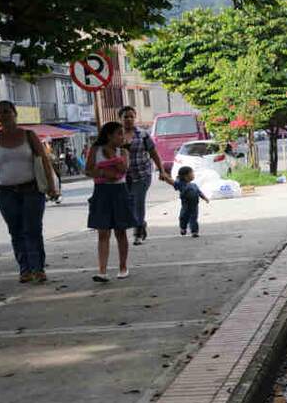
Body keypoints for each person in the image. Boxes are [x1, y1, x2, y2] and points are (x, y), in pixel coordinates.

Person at [0, 100, 58, 284]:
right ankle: (25, 270)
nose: (3, 115)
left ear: (15, 113)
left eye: (7, 111)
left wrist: (51, 185)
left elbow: (44, 160)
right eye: (0, 112)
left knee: (33, 230)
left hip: (32, 190)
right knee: (16, 231)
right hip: (6, 193)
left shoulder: (29, 135)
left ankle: (38, 269)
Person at [85, 121, 137, 282]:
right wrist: (103, 172)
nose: (122, 137)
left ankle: (123, 267)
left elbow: (123, 170)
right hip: (101, 192)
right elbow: (88, 170)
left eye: (123, 133)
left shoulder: (123, 152)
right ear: (109, 135)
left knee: (120, 231)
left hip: (120, 191)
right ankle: (102, 271)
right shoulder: (95, 150)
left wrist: (111, 159)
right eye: (119, 134)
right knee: (103, 232)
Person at [120, 106, 172, 246]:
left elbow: (154, 153)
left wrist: (162, 170)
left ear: (135, 118)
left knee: (138, 202)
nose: (129, 119)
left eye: (131, 116)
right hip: (123, 177)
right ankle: (141, 223)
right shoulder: (116, 136)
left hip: (142, 175)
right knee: (129, 204)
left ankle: (137, 233)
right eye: (125, 117)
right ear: (120, 119)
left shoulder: (142, 135)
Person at [174, 166, 209, 238]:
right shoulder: (181, 185)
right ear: (186, 176)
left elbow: (199, 192)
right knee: (183, 217)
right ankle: (183, 228)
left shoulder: (194, 185)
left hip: (194, 205)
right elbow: (175, 183)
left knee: (193, 218)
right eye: (192, 173)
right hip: (185, 205)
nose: (193, 175)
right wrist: (177, 178)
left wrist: (205, 198)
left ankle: (194, 231)